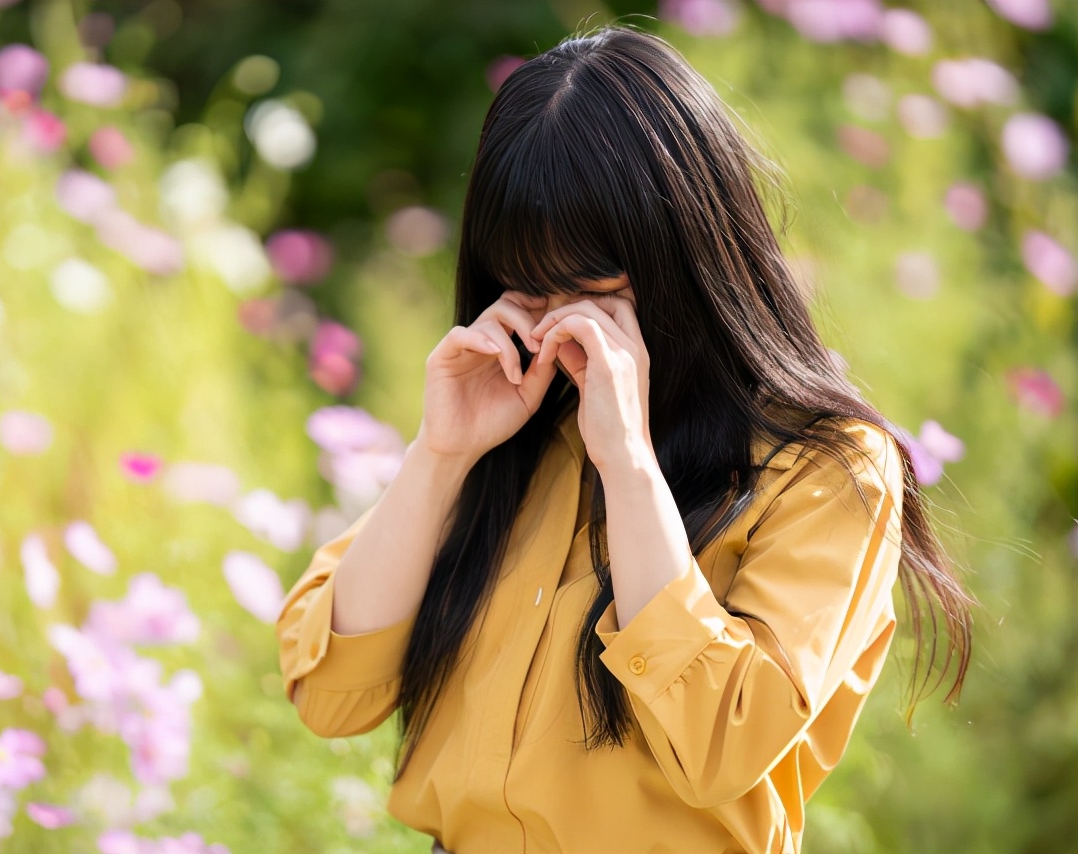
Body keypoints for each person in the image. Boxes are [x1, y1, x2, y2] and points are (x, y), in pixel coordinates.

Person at [276, 24, 974, 854]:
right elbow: (330, 690)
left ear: (686, 259)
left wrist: (630, 464)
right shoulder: (515, 423)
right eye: (529, 292)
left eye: (592, 294)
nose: (557, 332)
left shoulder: (825, 470)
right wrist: (440, 455)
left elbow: (723, 746)